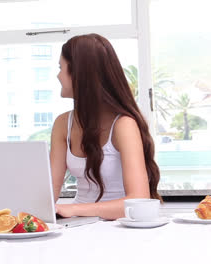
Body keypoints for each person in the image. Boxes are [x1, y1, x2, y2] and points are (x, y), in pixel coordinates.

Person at [50, 34, 161, 220]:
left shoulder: (123, 125)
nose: (58, 75)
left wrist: (75, 209)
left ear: (79, 73)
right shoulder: (62, 124)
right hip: (77, 225)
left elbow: (139, 199)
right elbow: (48, 194)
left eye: (61, 68)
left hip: (117, 227)